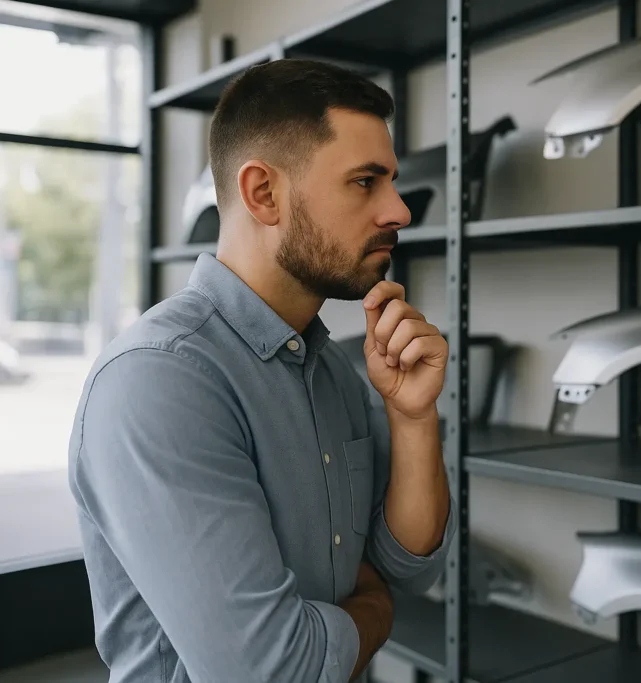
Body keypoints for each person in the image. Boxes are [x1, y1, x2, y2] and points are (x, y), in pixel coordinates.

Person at [67, 58, 455, 683]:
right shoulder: (159, 381)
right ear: (263, 194)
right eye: (365, 182)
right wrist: (374, 610)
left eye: (393, 182)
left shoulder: (333, 368)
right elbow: (272, 672)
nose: (399, 211)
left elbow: (411, 566)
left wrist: (412, 419)